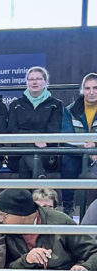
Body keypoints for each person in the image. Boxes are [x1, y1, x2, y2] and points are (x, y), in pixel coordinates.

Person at [7, 66, 64, 179]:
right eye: (31, 79)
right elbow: (12, 130)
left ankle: (32, 190)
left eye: (38, 78)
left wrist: (38, 139)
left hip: (45, 152)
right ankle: (40, 182)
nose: (34, 82)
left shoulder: (56, 105)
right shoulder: (16, 105)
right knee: (27, 156)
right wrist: (35, 139)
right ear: (27, 82)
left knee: (26, 160)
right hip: (18, 152)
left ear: (46, 82)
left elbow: (54, 130)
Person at [60, 72, 97, 215]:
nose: (91, 92)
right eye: (87, 88)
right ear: (82, 90)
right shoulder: (70, 110)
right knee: (68, 163)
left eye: (95, 88)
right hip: (77, 152)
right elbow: (67, 137)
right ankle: (67, 207)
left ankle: (93, 211)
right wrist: (89, 149)